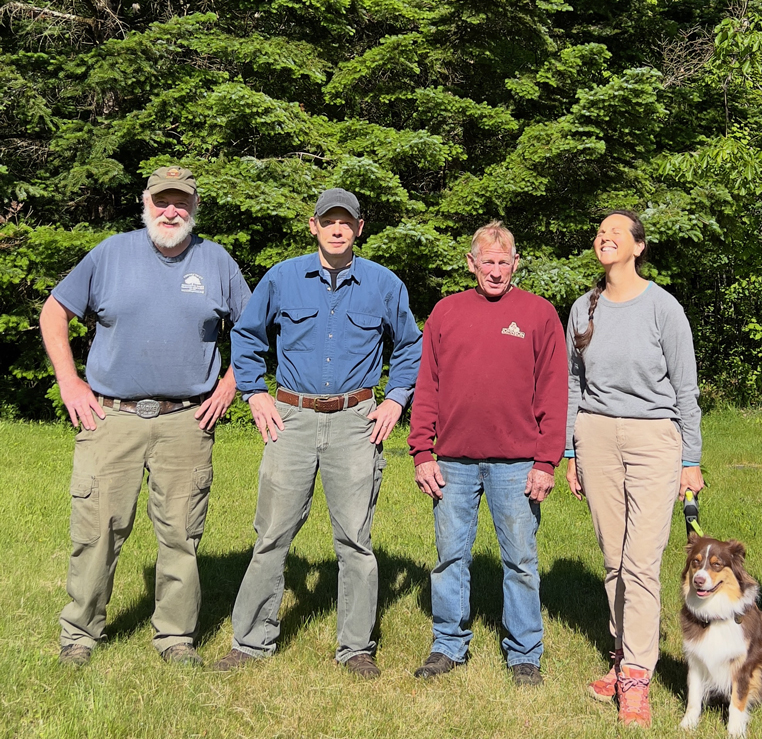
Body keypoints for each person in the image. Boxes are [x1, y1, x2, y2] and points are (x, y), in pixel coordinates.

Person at [39, 166, 251, 667]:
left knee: (181, 533)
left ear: (195, 207)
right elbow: (54, 312)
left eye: (181, 202)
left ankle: (175, 637)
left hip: (187, 422)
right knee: (97, 530)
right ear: (145, 202)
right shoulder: (111, 254)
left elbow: (254, 329)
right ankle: (80, 634)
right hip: (111, 418)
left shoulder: (217, 261)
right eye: (162, 201)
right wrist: (69, 381)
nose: (171, 211)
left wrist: (231, 384)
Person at [213, 188, 422, 679]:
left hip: (356, 422)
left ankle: (356, 648)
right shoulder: (282, 278)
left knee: (355, 540)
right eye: (329, 221)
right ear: (314, 226)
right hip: (291, 419)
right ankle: (251, 641)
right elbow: (246, 335)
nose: (337, 229)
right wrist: (254, 392)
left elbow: (410, 347)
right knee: (272, 535)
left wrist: (395, 399)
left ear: (359, 228)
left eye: (346, 222)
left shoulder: (384, 284)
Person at [408, 221, 568, 686]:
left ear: (515, 263)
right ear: (471, 263)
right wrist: (421, 451)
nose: (495, 271)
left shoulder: (539, 314)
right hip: (452, 461)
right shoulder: (445, 312)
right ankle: (448, 645)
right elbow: (427, 385)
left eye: (503, 262)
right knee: (449, 558)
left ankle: (524, 653)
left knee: (520, 560)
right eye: (487, 262)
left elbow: (554, 391)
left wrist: (546, 461)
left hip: (517, 463)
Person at [564, 210, 704, 727]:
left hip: (653, 439)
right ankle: (624, 655)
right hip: (595, 435)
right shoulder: (582, 307)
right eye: (600, 232)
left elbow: (685, 388)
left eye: (615, 232)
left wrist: (691, 459)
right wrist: (570, 451)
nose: (604, 237)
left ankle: (637, 678)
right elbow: (572, 383)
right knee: (614, 559)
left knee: (641, 561)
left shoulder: (663, 308)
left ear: (638, 247)